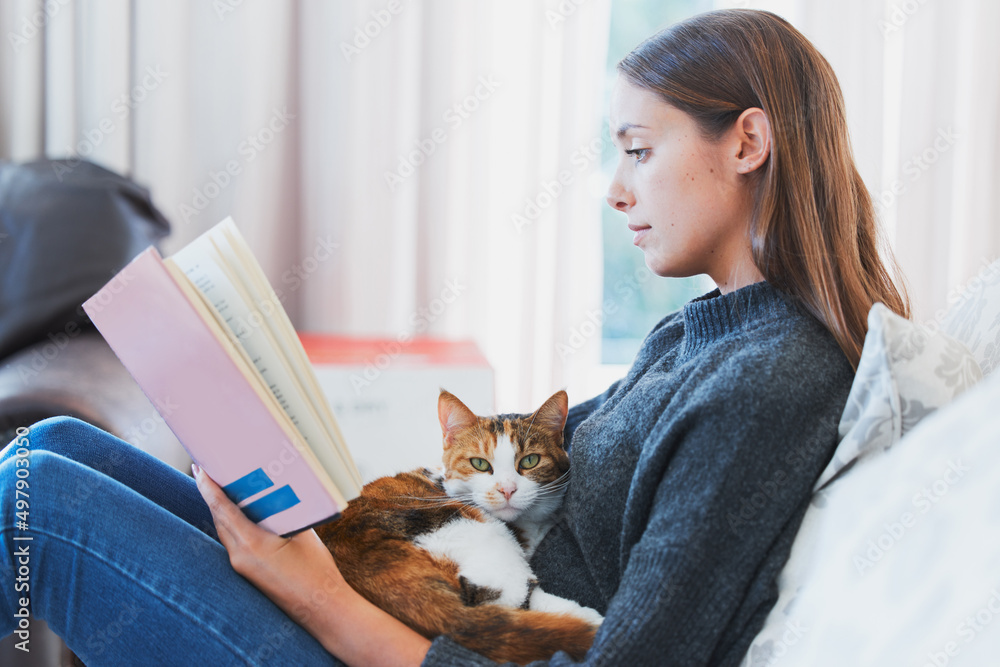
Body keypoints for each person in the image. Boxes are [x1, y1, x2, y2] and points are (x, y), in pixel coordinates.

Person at [0, 8, 908, 666]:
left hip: (396, 649)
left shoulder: (773, 377)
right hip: (412, 601)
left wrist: (314, 593)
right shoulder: (698, 336)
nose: (616, 188)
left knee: (32, 493)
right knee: (54, 442)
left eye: (638, 149)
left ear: (747, 142)